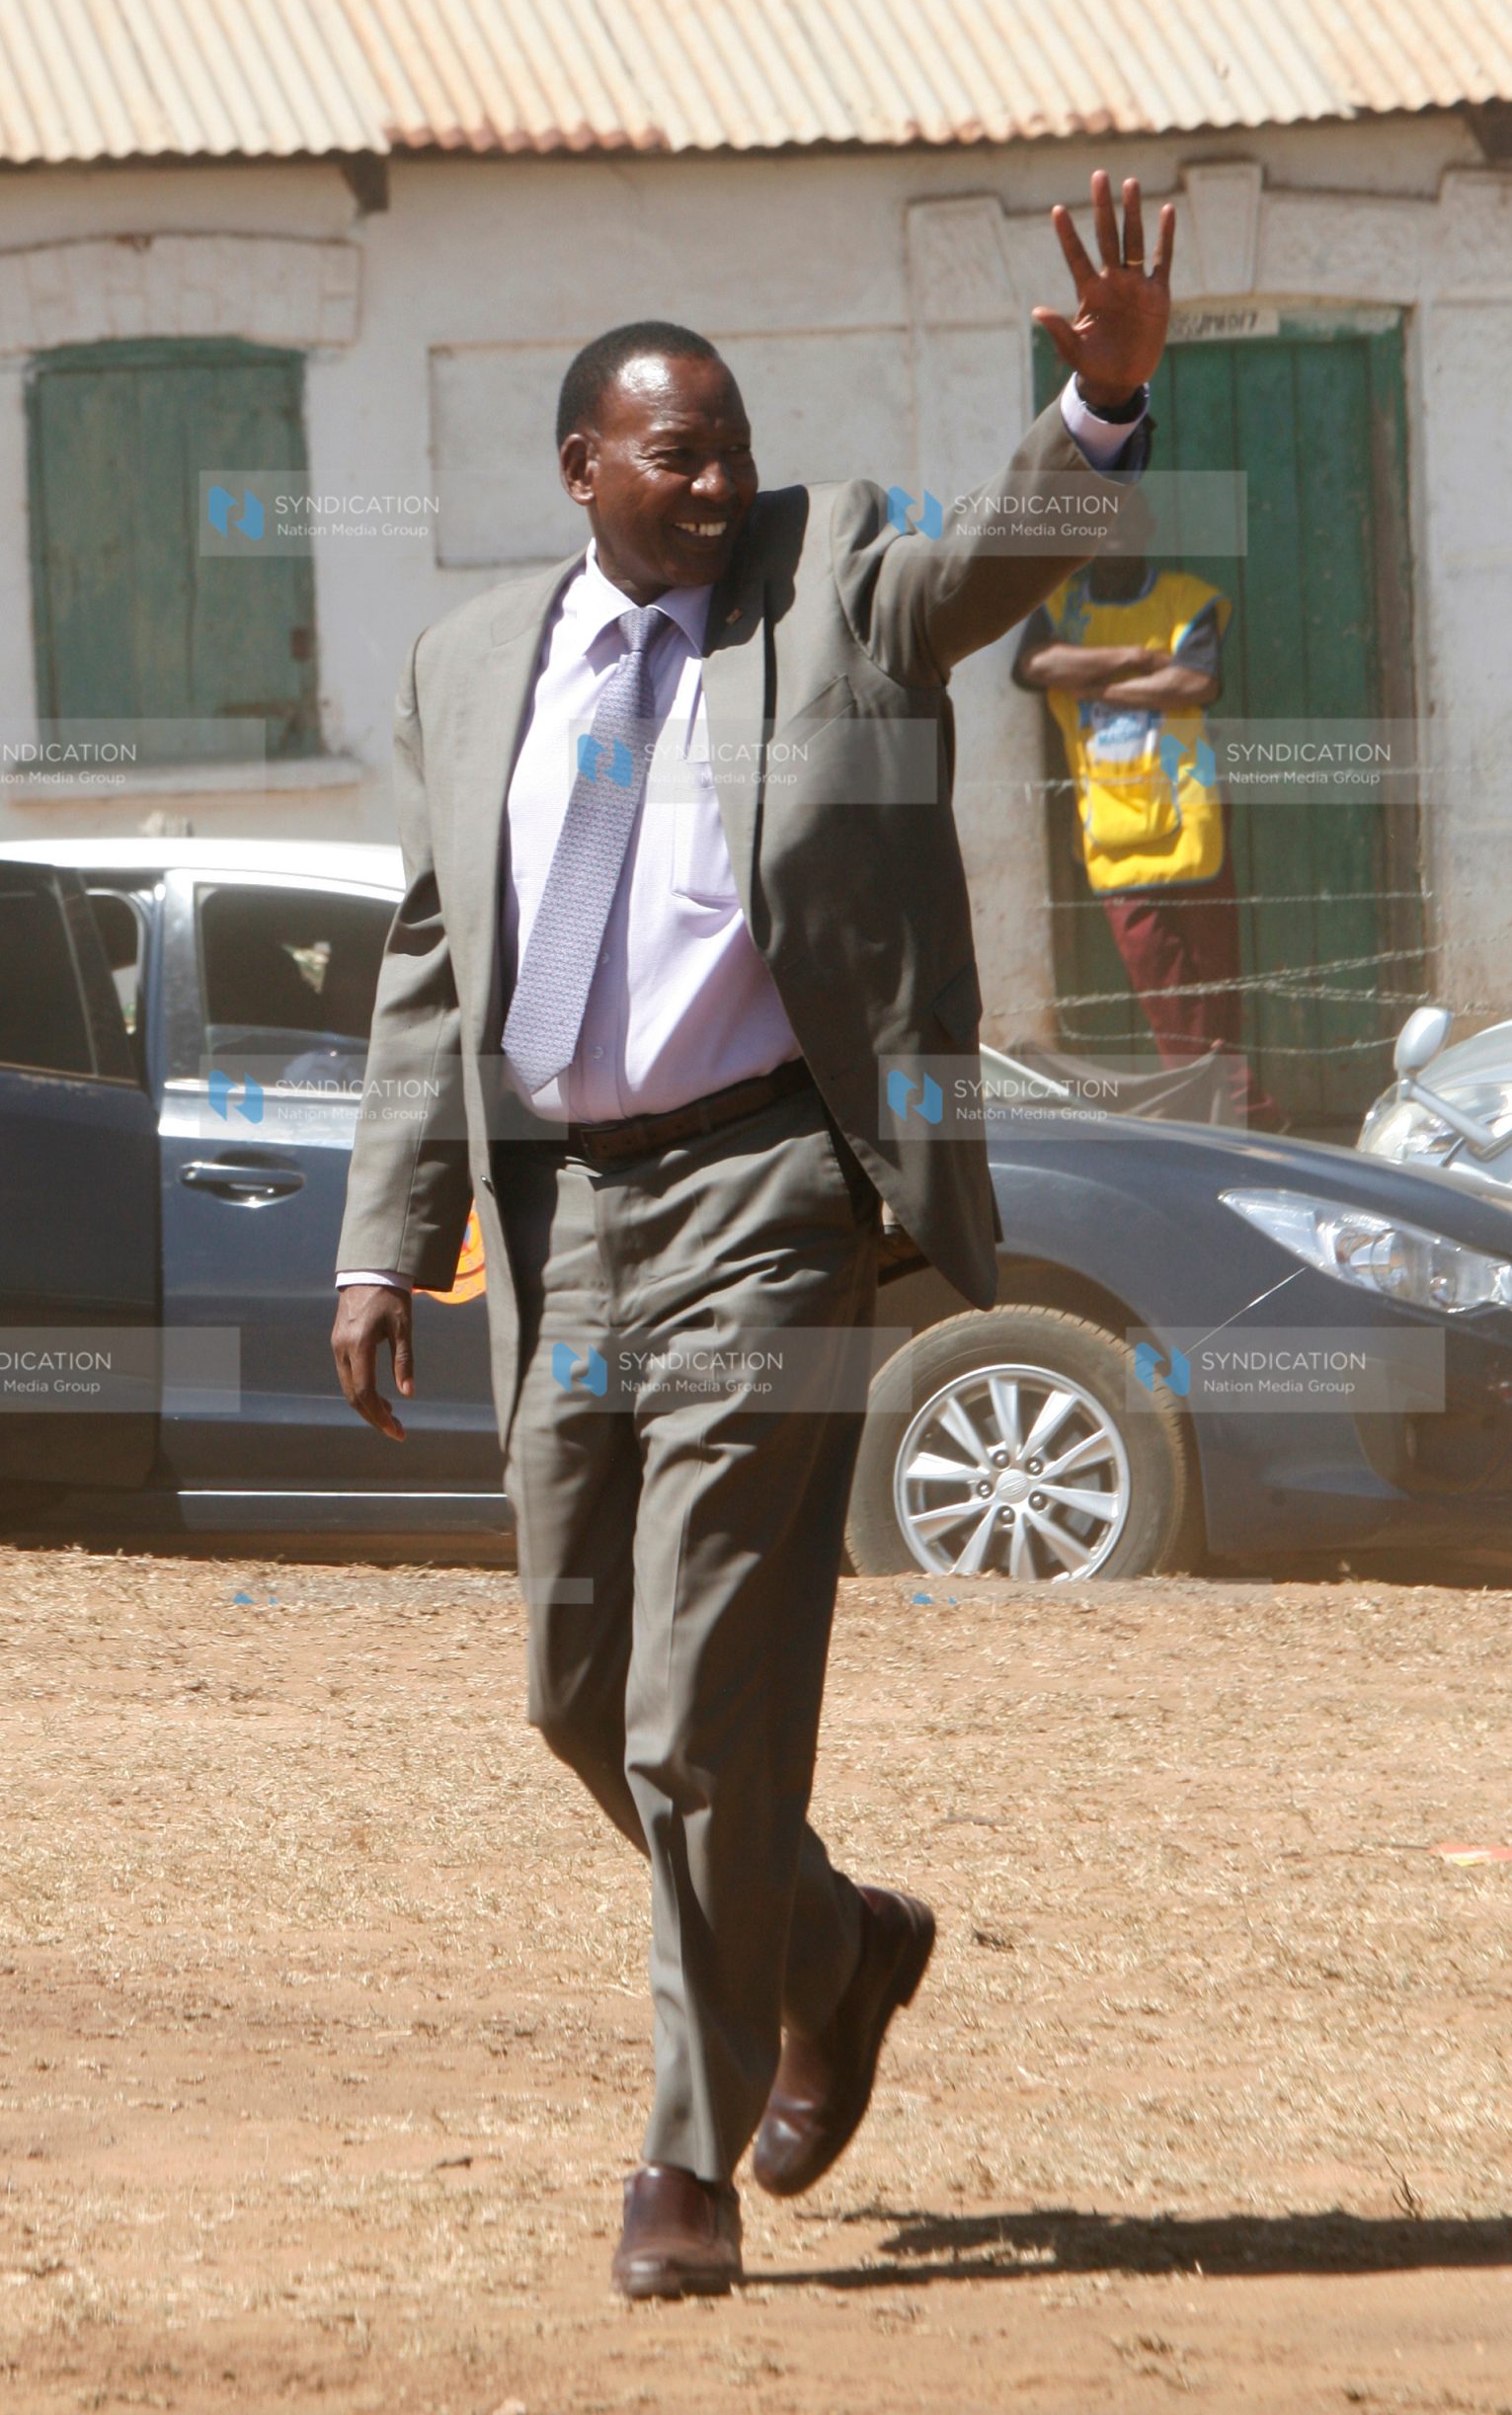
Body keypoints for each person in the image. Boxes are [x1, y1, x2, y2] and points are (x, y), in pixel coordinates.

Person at [332, 174, 1172, 2299]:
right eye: (674, 453)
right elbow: (432, 966)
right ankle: (837, 1943)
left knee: (702, 1700)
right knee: (575, 1693)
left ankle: (680, 2160)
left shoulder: (835, 583)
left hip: (768, 1197)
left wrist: (1095, 409)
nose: (716, 481)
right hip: (563, 1218)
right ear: (582, 468)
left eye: (730, 446)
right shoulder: (466, 665)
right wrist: (382, 1239)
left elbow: (991, 565)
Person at [1012, 502, 1285, 1128]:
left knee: (1214, 986)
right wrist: (1136, 656)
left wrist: (1097, 687)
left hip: (1191, 821)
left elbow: (1195, 682)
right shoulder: (1060, 608)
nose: (1111, 539)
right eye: (1099, 530)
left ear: (1146, 530)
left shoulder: (1185, 601)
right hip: (1112, 832)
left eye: (1124, 526)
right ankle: (1241, 1117)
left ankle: (1222, 1118)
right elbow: (1035, 666)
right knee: (1164, 991)